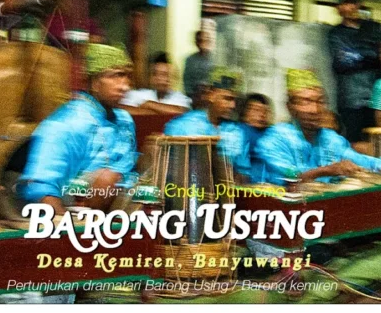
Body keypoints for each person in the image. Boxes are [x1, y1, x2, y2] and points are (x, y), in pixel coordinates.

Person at [16, 44, 139, 214]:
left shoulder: (125, 120)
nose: (125, 86)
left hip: (121, 208)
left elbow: (129, 167)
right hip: (75, 213)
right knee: (107, 179)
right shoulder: (67, 122)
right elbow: (39, 187)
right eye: (116, 76)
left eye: (126, 77)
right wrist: (68, 229)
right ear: (94, 82)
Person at [256, 69, 381, 185]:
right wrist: (326, 170)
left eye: (320, 101)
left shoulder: (330, 138)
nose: (314, 109)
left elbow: (359, 159)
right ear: (289, 107)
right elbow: (290, 177)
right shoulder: (273, 140)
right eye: (305, 102)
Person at [325, 0, 381, 142]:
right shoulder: (336, 34)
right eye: (347, 3)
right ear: (338, 8)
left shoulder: (373, 28)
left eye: (354, 3)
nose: (352, 7)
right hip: (351, 101)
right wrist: (372, 55)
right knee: (355, 142)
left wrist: (360, 54)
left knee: (380, 142)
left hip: (377, 98)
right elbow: (343, 63)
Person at [164, 66, 251, 182]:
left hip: (226, 194)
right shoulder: (183, 126)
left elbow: (244, 173)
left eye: (235, 100)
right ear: (211, 95)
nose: (232, 106)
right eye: (227, 99)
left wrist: (237, 177)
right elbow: (168, 168)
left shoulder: (237, 133)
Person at [121, 52, 191, 114]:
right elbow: (122, 110)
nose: (161, 79)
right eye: (156, 74)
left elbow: (182, 113)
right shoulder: (137, 94)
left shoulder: (180, 98)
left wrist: (149, 104)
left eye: (166, 74)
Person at [237, 93, 273, 183]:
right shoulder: (241, 132)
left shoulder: (271, 132)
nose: (262, 114)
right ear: (244, 112)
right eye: (256, 110)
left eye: (265, 111)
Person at [182, 30, 214, 98]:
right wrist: (191, 96)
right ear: (196, 42)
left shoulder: (215, 59)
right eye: (201, 40)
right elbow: (187, 81)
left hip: (211, 96)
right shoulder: (190, 60)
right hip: (194, 96)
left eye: (207, 40)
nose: (204, 43)